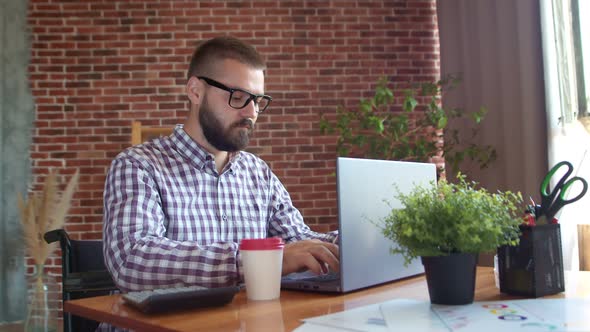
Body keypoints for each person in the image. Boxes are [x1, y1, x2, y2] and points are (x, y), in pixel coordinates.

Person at [103, 36, 339, 292]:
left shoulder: (258, 173)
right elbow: (132, 260)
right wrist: (258, 261)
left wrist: (365, 240)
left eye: (258, 101)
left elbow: (301, 242)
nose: (251, 113)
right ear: (195, 91)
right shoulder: (138, 166)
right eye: (238, 97)